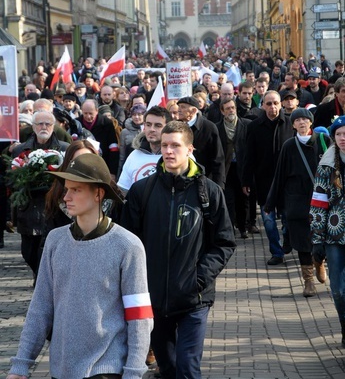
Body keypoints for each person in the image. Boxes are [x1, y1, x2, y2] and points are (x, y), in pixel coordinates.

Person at [6, 153, 153, 379]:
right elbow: (40, 307)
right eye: (66, 189)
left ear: (98, 193)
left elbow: (140, 316)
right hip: (61, 369)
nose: (66, 197)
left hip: (106, 369)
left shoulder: (128, 245)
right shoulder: (55, 240)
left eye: (76, 190)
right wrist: (21, 363)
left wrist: (133, 371)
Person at [121, 121, 235, 379]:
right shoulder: (143, 191)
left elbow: (224, 242)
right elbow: (128, 243)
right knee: (168, 368)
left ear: (190, 149)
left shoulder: (209, 192)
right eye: (164, 145)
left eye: (175, 145)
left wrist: (199, 279)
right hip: (154, 300)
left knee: (187, 369)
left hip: (193, 299)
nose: (169, 151)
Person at [265, 108, 331, 297]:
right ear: (293, 124)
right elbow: (279, 176)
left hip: (321, 199)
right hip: (296, 201)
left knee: (322, 237)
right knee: (302, 242)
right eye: (298, 120)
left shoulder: (323, 141)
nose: (302, 123)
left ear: (311, 122)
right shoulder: (289, 146)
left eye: (305, 119)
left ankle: (319, 261)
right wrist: (270, 204)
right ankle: (308, 280)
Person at [10, 111, 70, 276]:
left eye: (48, 124)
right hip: (30, 207)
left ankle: (43, 279)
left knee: (48, 249)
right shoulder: (20, 150)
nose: (44, 127)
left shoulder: (64, 149)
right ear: (33, 127)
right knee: (28, 251)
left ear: (54, 126)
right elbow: (13, 180)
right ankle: (40, 274)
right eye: (40, 124)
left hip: (54, 207)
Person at [242, 90, 294, 265]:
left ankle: (288, 238)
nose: (273, 107)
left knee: (287, 217)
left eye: (276, 103)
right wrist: (246, 180)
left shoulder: (290, 124)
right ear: (263, 105)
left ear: (281, 104)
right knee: (269, 221)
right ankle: (276, 252)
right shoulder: (254, 126)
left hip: (287, 181)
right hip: (264, 182)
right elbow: (249, 156)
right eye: (269, 103)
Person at [310, 115, 345, 347]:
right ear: (333, 137)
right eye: (339, 134)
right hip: (335, 237)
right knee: (340, 291)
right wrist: (317, 239)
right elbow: (318, 203)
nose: (343, 138)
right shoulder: (326, 164)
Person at [216, 98, 251, 238]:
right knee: (228, 200)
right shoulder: (217, 127)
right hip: (226, 169)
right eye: (227, 108)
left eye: (232, 107)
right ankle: (230, 229)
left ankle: (243, 227)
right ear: (222, 111)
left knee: (242, 200)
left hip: (242, 168)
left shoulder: (246, 125)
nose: (231, 110)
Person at [117, 106, 171, 194]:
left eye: (158, 125)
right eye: (148, 125)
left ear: (167, 127)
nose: (152, 129)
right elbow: (123, 191)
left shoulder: (178, 155)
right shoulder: (134, 156)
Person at [177, 96, 225, 188]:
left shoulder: (209, 127)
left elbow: (218, 158)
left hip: (204, 181)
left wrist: (219, 186)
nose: (179, 110)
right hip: (180, 181)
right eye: (179, 106)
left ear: (194, 111)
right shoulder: (175, 126)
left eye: (182, 107)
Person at [118, 104, 146, 176]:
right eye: (134, 114)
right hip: (130, 165)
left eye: (139, 114)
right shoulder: (124, 132)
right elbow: (122, 155)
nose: (136, 117)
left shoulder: (148, 130)